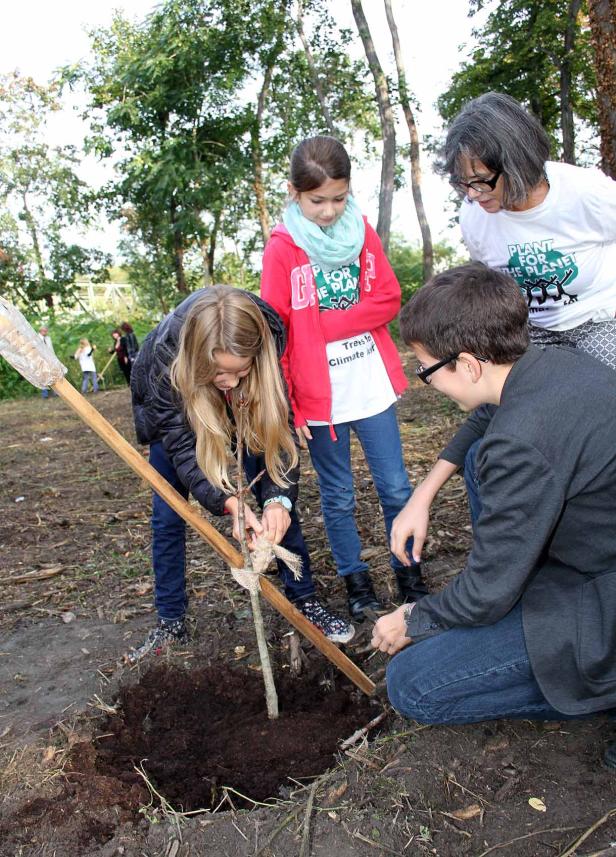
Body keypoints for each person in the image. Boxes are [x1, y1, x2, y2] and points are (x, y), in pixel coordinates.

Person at [371, 262, 616, 728]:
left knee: (412, 685)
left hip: (600, 597)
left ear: (467, 364)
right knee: (478, 455)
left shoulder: (520, 443)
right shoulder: (548, 363)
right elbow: (486, 417)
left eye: (425, 370)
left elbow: (484, 594)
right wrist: (422, 494)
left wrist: (414, 617)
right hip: (594, 552)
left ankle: (599, 690)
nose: (426, 380)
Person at [129, 285, 354, 661]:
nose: (229, 382)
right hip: (178, 413)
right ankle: (170, 618)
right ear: (199, 359)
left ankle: (304, 601)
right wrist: (227, 502)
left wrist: (279, 500)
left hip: (247, 404)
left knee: (277, 507)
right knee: (168, 516)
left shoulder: (262, 354)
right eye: (217, 372)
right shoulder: (163, 366)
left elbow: (278, 445)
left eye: (238, 370)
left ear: (255, 358)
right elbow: (184, 449)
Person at [261, 135, 427, 621]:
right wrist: (290, 401)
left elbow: (388, 300)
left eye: (338, 198)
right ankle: (356, 581)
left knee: (395, 487)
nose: (330, 211)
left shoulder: (362, 232)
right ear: (294, 192)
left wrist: (317, 323)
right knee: (338, 495)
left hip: (370, 385)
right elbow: (277, 329)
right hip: (319, 397)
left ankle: (409, 571)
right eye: (317, 201)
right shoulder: (284, 248)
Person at [440, 91, 616, 370]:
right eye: (463, 184)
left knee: (602, 393)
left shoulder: (587, 193)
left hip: (599, 320)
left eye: (482, 181)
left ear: (518, 163)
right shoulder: (474, 215)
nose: (472, 194)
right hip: (530, 332)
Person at [38, 325, 55, 399]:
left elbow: (51, 349)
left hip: (49, 359)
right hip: (41, 359)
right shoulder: (36, 338)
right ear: (40, 331)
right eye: (44, 331)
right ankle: (45, 394)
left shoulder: (48, 338)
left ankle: (55, 392)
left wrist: (54, 358)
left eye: (46, 331)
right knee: (43, 376)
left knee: (53, 375)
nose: (45, 332)